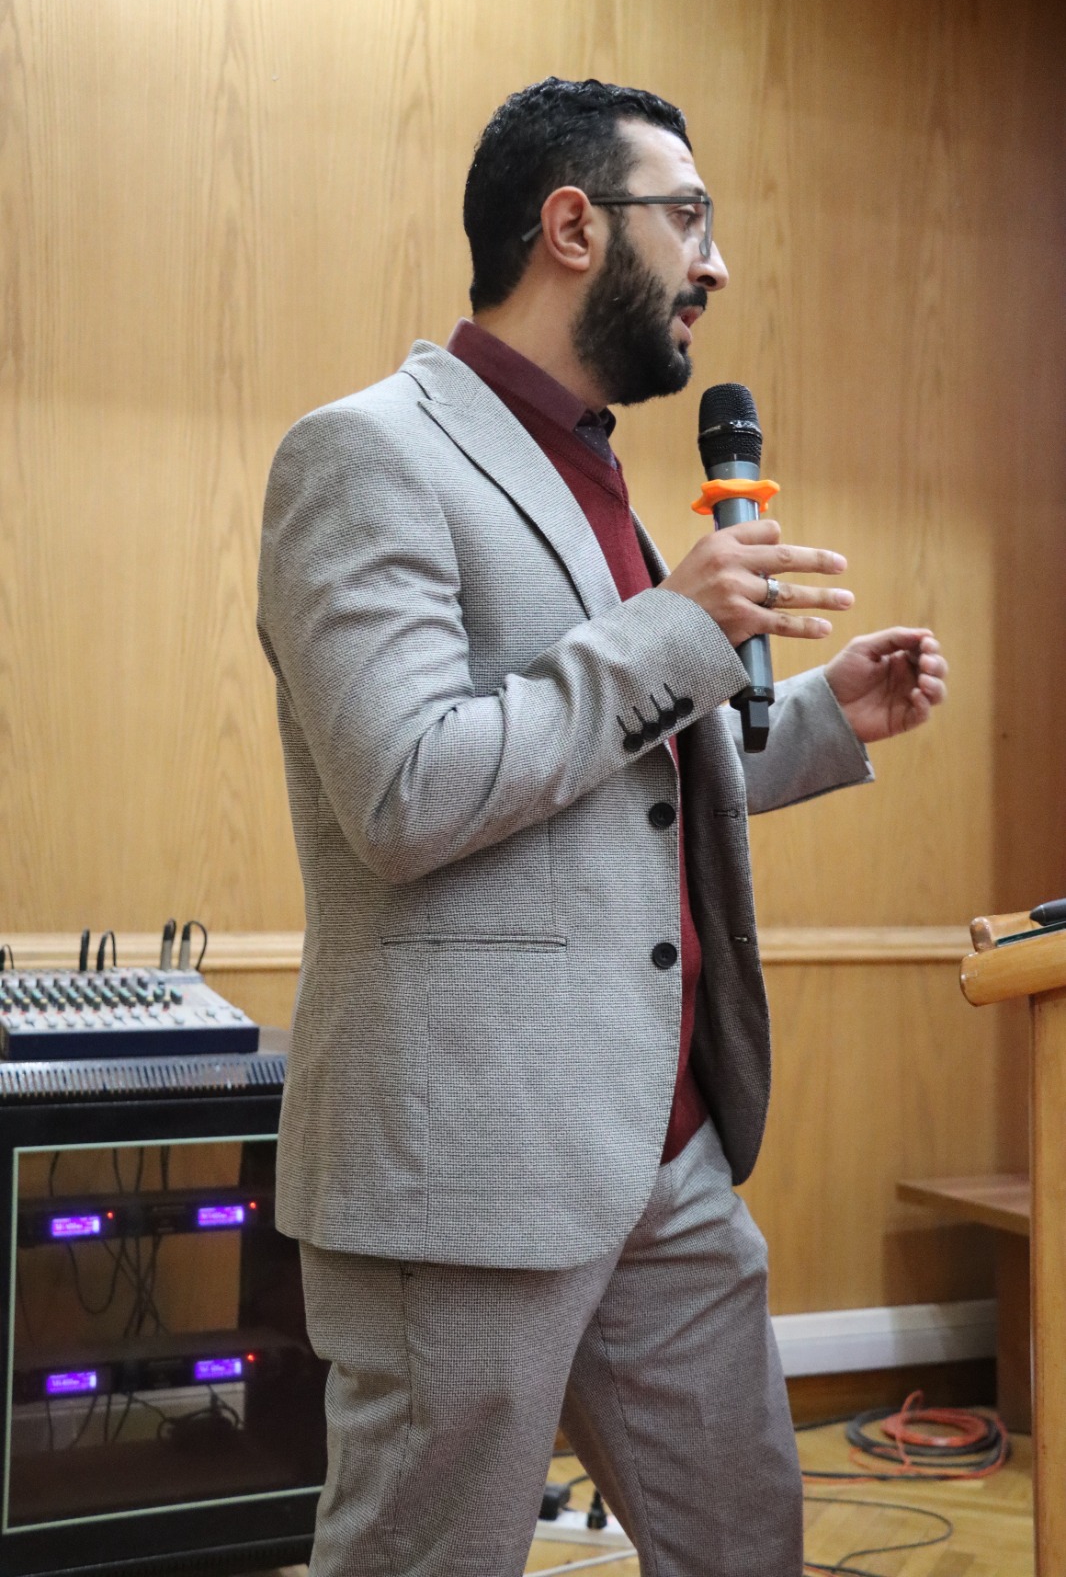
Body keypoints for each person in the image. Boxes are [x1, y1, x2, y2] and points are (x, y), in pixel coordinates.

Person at [257, 77, 947, 1577]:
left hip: (665, 1151)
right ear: (572, 226)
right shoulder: (366, 455)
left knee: (746, 1542)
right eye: (687, 217)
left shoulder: (597, 471)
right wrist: (673, 629)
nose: (716, 264)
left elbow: (611, 784)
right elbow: (408, 790)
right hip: (467, 1168)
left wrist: (817, 715)